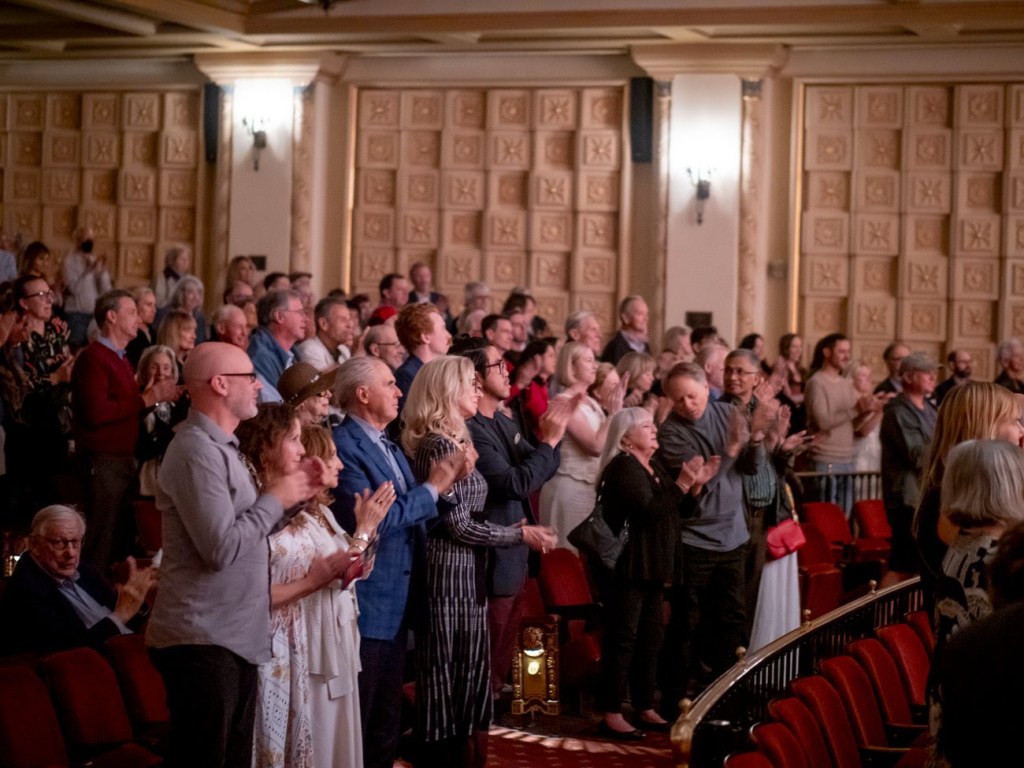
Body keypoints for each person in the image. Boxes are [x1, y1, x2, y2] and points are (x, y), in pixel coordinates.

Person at [146, 342, 318, 768]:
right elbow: (221, 549)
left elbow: (248, 535)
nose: (259, 385)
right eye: (250, 377)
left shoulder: (223, 448)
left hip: (232, 635)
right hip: (202, 638)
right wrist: (275, 499)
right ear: (220, 384)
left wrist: (292, 498)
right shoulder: (195, 450)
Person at [402, 355, 557, 765]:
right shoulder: (437, 445)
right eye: (469, 383)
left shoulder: (458, 440)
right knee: (447, 682)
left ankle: (469, 758)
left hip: (467, 573)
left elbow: (468, 517)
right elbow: (456, 525)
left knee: (470, 680)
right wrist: (517, 535)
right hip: (446, 576)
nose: (477, 389)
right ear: (445, 390)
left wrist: (509, 530)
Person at [238, 406, 394, 768]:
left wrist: (366, 531)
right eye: (331, 455)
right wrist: (363, 532)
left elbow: (350, 570)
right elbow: (334, 573)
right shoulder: (272, 511)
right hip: (286, 633)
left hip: (312, 633)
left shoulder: (317, 513)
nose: (338, 464)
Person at [330, 356, 462, 768]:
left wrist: (445, 489)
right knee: (363, 718)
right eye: (389, 384)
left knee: (387, 722)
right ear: (362, 394)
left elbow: (413, 513)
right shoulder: (344, 446)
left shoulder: (387, 442)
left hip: (401, 597)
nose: (399, 390)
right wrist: (432, 488)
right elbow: (373, 521)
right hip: (370, 600)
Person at [656, 361, 776, 706]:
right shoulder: (671, 432)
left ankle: (726, 696)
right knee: (686, 623)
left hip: (733, 536)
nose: (687, 405)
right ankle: (674, 700)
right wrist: (732, 450)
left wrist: (755, 438)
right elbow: (699, 483)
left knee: (732, 620)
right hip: (695, 540)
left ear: (707, 390)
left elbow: (750, 467)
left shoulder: (726, 412)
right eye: (678, 399)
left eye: (692, 396)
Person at [594, 407, 711, 739]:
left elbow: (678, 510)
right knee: (623, 639)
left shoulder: (652, 464)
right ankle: (611, 711)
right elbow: (649, 511)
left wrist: (694, 486)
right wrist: (683, 483)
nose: (654, 429)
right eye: (646, 426)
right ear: (626, 438)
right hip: (629, 567)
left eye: (652, 423)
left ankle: (644, 705)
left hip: (652, 565)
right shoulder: (623, 468)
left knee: (650, 639)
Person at [463, 341, 567, 697]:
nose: (507, 370)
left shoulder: (503, 422)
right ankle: (481, 718)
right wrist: (549, 442)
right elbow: (515, 483)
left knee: (502, 654)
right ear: (477, 378)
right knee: (487, 653)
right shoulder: (472, 428)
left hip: (516, 553)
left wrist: (551, 440)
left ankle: (490, 712)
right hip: (494, 554)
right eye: (498, 365)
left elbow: (543, 466)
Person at [928, 440, 1024, 767]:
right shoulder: (995, 556)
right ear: (1005, 487)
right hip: (990, 713)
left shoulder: (963, 542)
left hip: (959, 700)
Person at [72, 290, 182, 570]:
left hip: (121, 460)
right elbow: (96, 413)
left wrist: (155, 399)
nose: (139, 319)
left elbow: (125, 412)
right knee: (97, 542)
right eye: (131, 312)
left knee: (115, 544)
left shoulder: (120, 358)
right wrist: (146, 398)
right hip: (102, 461)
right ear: (111, 316)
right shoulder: (94, 358)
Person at [912, 382, 1024, 612]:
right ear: (987, 427)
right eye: (1015, 421)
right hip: (976, 629)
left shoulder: (983, 495)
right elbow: (1004, 569)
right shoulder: (948, 503)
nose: (1022, 430)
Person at [1, 504, 155, 655]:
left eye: (75, 542)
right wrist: (120, 615)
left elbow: (125, 619)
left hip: (129, 652)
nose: (71, 553)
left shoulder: (84, 570)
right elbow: (72, 651)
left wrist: (136, 602)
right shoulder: (26, 588)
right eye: (59, 543)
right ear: (34, 544)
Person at [539, 341, 623, 550]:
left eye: (594, 360)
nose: (595, 365)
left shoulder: (591, 401)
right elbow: (594, 446)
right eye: (588, 360)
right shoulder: (563, 401)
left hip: (588, 487)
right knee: (567, 554)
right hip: (569, 487)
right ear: (571, 366)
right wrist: (613, 413)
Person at [804, 333, 885, 513]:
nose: (846, 356)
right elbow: (823, 422)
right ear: (827, 352)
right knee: (826, 517)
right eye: (841, 351)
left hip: (848, 459)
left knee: (845, 517)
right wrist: (857, 409)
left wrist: (868, 410)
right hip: (825, 460)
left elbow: (852, 425)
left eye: (848, 352)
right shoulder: (816, 383)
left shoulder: (846, 384)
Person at [879, 352, 937, 585]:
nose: (933, 377)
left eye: (933, 372)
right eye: (926, 372)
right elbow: (915, 455)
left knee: (916, 563)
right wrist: (947, 448)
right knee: (902, 563)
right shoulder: (897, 411)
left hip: (923, 494)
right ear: (909, 377)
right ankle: (883, 606)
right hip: (906, 497)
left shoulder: (930, 408)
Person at [135, 345, 183, 498]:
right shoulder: (137, 405)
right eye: (154, 367)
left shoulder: (179, 405)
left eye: (166, 368)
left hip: (175, 481)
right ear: (144, 371)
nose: (161, 373)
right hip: (146, 482)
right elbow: (141, 449)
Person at [248, 289, 305, 403]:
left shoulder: (294, 353)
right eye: (299, 312)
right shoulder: (260, 356)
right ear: (279, 316)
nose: (305, 319)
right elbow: (271, 406)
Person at [62, 226, 111, 348]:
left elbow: (106, 290)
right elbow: (74, 289)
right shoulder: (69, 261)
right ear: (77, 240)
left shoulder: (94, 259)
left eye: (91, 239)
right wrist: (88, 271)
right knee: (75, 348)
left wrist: (102, 273)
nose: (89, 242)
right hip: (76, 314)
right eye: (85, 238)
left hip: (93, 314)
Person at [297, 295, 353, 370]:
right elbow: (324, 377)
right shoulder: (310, 350)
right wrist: (357, 355)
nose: (350, 325)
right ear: (324, 324)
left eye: (349, 319)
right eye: (343, 320)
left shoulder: (343, 350)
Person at [847, 359, 884, 472]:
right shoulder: (849, 401)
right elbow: (862, 431)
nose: (869, 379)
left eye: (869, 375)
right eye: (863, 375)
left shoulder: (873, 399)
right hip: (859, 452)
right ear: (851, 378)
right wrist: (880, 410)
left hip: (874, 450)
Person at [277, 360, 339, 427]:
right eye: (322, 391)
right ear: (302, 402)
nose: (329, 395)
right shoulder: (289, 432)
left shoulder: (331, 422)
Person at [156, 275, 208, 344]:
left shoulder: (199, 317)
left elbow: (203, 342)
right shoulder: (166, 313)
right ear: (181, 293)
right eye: (191, 292)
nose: (195, 297)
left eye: (198, 293)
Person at [600, 295, 650, 365]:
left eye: (646, 314)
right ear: (625, 318)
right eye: (640, 314)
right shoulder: (615, 347)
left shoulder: (645, 346)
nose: (645, 319)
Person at [156, 308, 198, 380]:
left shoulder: (189, 363)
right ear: (172, 332)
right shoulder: (165, 364)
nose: (194, 336)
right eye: (187, 330)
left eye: (194, 331)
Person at [126, 286, 158, 368]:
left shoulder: (154, 332)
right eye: (149, 305)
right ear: (135, 306)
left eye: (154, 305)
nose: (154, 310)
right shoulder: (129, 334)